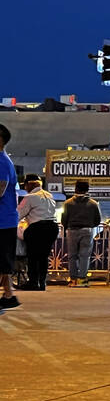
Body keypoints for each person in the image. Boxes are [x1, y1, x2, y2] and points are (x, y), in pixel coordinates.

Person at [17, 174, 57, 291]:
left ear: (29, 185)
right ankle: (42, 282)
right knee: (43, 256)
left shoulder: (30, 197)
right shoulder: (49, 195)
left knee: (33, 256)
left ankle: (33, 282)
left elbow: (18, 214)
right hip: (52, 228)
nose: (24, 188)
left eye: (25, 185)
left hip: (38, 228)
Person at [60, 180, 101, 288]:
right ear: (87, 189)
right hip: (87, 230)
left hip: (72, 230)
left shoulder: (67, 203)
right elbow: (98, 220)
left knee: (72, 256)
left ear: (75, 189)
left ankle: (73, 279)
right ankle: (82, 279)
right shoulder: (93, 204)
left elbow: (64, 219)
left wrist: (67, 226)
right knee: (84, 256)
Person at [0, 125, 20, 309]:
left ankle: (9, 295)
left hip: (3, 221)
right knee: (3, 260)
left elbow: (0, 189)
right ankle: (9, 295)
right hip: (5, 220)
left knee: (3, 260)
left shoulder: (2, 162)